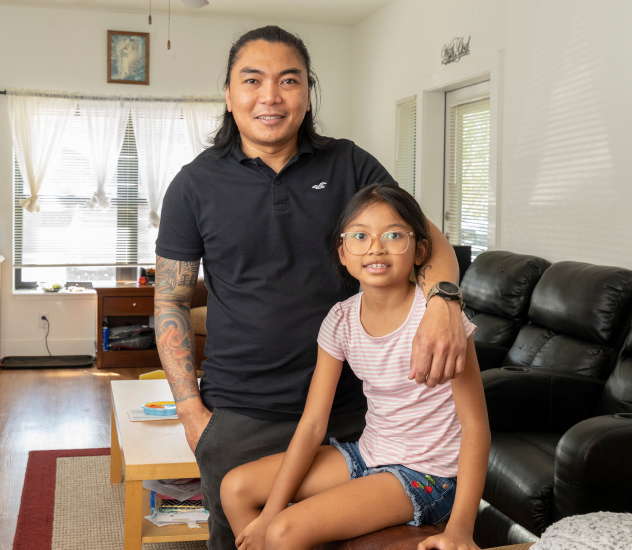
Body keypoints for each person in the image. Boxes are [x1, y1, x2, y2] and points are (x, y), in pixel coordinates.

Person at [154, 26, 469, 550]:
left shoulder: (349, 164)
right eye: (252, 80)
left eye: (288, 80)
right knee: (243, 541)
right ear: (229, 95)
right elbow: (170, 300)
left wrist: (444, 304)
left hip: (354, 411)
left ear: (307, 93)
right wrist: (191, 413)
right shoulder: (194, 184)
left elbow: (427, 240)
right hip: (240, 414)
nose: (270, 96)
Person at [220, 184, 490, 550]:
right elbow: (313, 423)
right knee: (235, 488)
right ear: (342, 253)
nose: (376, 247)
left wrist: (461, 528)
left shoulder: (440, 322)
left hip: (428, 475)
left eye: (394, 235)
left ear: (420, 251)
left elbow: (476, 426)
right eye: (360, 236)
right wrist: (269, 511)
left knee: (285, 531)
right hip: (367, 454)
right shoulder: (341, 320)